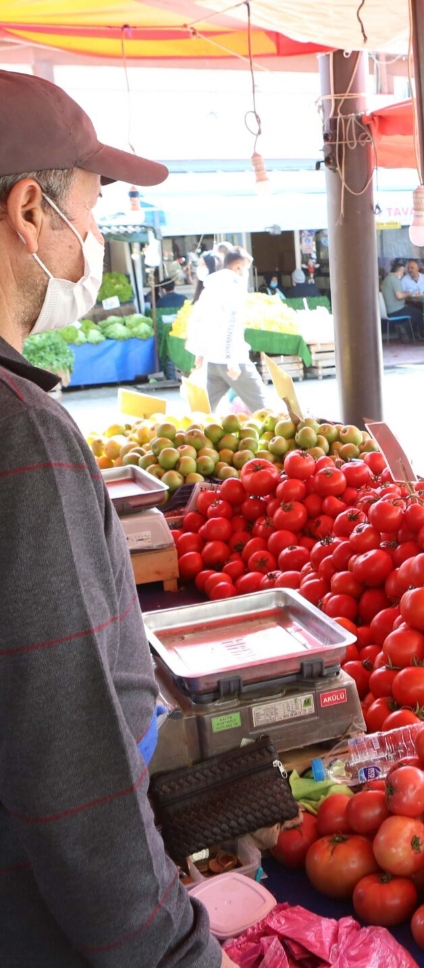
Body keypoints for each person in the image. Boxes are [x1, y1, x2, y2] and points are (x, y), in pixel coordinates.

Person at [0, 69, 233, 968]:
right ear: (30, 210)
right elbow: (70, 771)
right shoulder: (22, 436)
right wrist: (176, 953)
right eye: (91, 209)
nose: (92, 238)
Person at [186, 248, 272, 413]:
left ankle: (191, 428)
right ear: (238, 267)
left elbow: (199, 321)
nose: (247, 273)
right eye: (246, 268)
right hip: (233, 361)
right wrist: (231, 360)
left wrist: (201, 352)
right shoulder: (233, 289)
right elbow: (231, 326)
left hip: (213, 361)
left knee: (203, 412)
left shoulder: (209, 288)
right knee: (264, 410)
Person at [380, 258, 423, 341]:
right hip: (396, 310)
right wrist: (408, 293)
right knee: (418, 313)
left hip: (389, 310)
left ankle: (407, 330)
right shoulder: (395, 279)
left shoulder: (387, 279)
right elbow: (399, 296)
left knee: (412, 310)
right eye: (403, 272)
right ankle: (410, 330)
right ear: (399, 271)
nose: (403, 274)